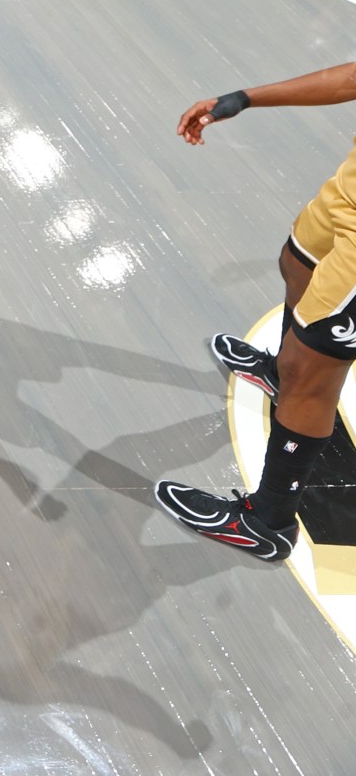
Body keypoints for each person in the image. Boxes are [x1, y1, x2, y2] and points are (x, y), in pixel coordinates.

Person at [162, 65, 356, 558]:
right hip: (349, 192)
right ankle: (280, 374)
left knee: (313, 369)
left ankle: (268, 521)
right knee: (297, 263)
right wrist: (244, 98)